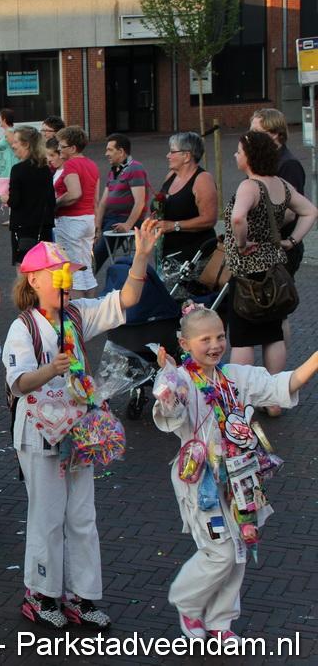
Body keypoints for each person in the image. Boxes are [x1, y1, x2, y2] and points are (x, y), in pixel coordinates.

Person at [4, 225, 160, 631]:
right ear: (34, 280)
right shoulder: (23, 327)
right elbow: (18, 383)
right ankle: (40, 594)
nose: (66, 281)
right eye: (57, 274)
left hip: (78, 431)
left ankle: (82, 594)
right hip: (39, 434)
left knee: (81, 515)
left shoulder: (75, 314)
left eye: (68, 274)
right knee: (47, 515)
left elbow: (125, 300)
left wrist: (141, 256)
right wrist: (49, 370)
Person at [152, 305, 318, 642]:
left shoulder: (236, 377)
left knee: (240, 549)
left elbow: (283, 384)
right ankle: (188, 603)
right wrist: (168, 383)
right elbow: (169, 412)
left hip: (241, 478)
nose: (215, 345)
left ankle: (220, 622)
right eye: (205, 339)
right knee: (220, 552)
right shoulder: (180, 378)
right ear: (185, 343)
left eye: (220, 336)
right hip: (202, 483)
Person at [224, 132, 318, 413]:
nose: (235, 155)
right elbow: (310, 211)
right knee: (272, 334)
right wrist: (292, 241)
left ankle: (241, 401)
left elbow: (238, 217)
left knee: (242, 337)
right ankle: (274, 400)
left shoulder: (249, 186)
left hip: (247, 273)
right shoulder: (281, 185)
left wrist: (241, 244)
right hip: (275, 271)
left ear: (250, 156)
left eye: (239, 151)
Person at [250, 108, 306, 274]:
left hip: (279, 248)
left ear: (275, 134)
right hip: (263, 246)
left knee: (276, 289)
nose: (250, 137)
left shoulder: (288, 165)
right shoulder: (262, 161)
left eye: (256, 132)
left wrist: (257, 231)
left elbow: (290, 211)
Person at [156, 132, 218, 263]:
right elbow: (162, 204)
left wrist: (174, 226)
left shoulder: (203, 179)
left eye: (172, 152)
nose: (168, 155)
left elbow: (209, 219)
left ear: (187, 156)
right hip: (167, 252)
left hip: (193, 255)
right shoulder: (171, 175)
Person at [93, 133, 149, 273]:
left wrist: (128, 224)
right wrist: (97, 227)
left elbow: (140, 202)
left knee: (96, 254)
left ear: (121, 151)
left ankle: (85, 281)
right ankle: (82, 280)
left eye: (110, 150)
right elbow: (103, 202)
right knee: (87, 248)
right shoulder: (114, 170)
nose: (106, 154)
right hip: (109, 217)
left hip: (122, 218)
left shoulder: (135, 168)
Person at [53, 126, 99, 297]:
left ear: (72, 148)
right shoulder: (92, 164)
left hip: (71, 221)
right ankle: (91, 306)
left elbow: (74, 193)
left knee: (72, 269)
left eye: (62, 146)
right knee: (86, 267)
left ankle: (77, 309)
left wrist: (54, 204)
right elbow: (94, 198)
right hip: (87, 219)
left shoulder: (71, 164)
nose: (58, 149)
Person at [2, 126, 55, 265]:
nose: (13, 145)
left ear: (26, 144)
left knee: (24, 267)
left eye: (16, 142)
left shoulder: (18, 169)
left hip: (23, 227)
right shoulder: (45, 169)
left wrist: (6, 198)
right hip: (43, 226)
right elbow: (51, 200)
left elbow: (15, 201)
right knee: (44, 267)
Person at [0, 108, 20, 181]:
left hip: (9, 165)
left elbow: (15, 148)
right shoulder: (8, 131)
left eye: (0, 118)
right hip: (6, 166)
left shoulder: (9, 132)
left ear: (4, 119)